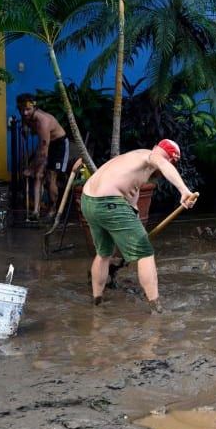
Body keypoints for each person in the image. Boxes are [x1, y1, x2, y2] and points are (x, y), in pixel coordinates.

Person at [81, 139, 196, 313]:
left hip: (88, 201)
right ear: (171, 159)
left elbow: (132, 193)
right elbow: (162, 163)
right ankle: (156, 308)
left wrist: (133, 216)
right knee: (145, 253)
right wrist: (184, 191)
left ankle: (97, 300)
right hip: (109, 202)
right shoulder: (153, 158)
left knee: (104, 252)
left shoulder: (136, 157)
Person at [18, 94, 73, 222]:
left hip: (58, 145)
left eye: (28, 110)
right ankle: (36, 211)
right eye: (22, 109)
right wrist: (25, 128)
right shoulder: (26, 115)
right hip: (45, 143)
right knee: (38, 176)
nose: (24, 112)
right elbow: (25, 121)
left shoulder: (43, 121)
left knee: (50, 177)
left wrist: (30, 168)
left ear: (35, 108)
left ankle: (53, 209)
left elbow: (43, 152)